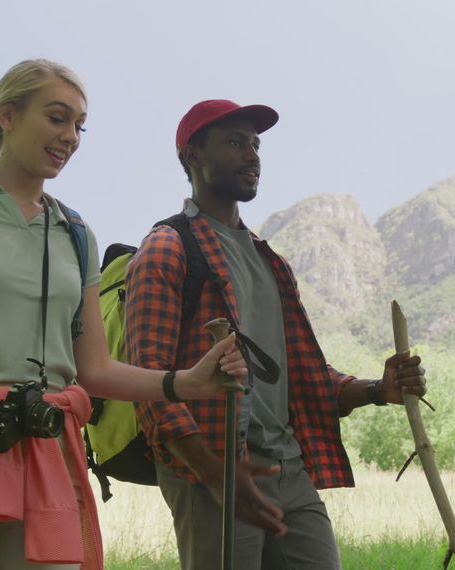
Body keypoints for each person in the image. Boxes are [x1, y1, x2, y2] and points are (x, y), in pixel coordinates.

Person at [0, 61, 248, 570]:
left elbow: (94, 370)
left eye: (79, 125)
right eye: (58, 118)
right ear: (7, 116)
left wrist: (187, 383)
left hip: (44, 449)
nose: (70, 137)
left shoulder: (76, 234)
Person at [124, 99, 428, 569]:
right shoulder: (167, 249)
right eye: (234, 142)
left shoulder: (272, 263)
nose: (252, 154)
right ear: (193, 157)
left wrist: (376, 390)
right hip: (210, 470)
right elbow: (150, 386)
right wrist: (216, 474)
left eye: (255, 143)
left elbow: (304, 377)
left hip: (288, 465)